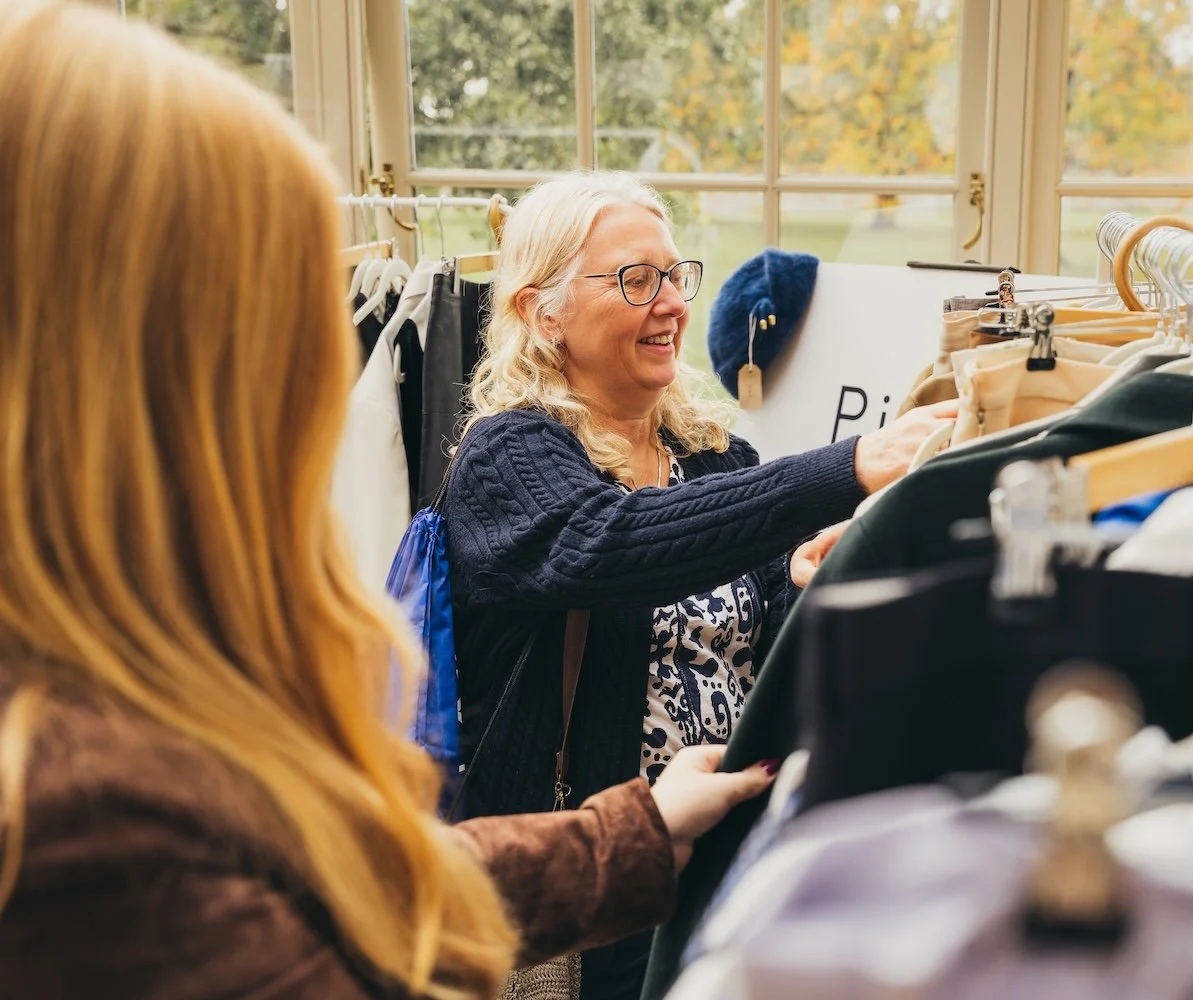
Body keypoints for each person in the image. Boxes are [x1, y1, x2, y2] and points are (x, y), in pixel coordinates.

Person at [0, 4, 778, 998]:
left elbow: (372, 882)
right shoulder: (78, 804)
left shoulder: (141, 674)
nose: (316, 381)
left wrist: (645, 829)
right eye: (269, 323)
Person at [443, 173, 956, 996]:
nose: (672, 304)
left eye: (676, 276)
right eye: (635, 280)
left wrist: (796, 576)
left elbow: (750, 645)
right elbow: (607, 546)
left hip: (720, 873)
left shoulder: (714, 458)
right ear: (545, 314)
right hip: (593, 889)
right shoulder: (509, 456)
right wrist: (846, 466)